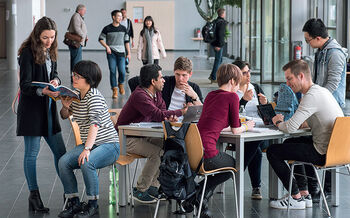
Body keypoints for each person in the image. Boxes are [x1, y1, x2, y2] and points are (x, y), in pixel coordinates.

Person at [267, 60, 344, 210]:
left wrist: (277, 122)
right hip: (338, 150)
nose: (287, 84)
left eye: (290, 79)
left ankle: (295, 197)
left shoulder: (311, 96)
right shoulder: (322, 91)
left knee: (272, 151)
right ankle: (304, 193)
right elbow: (314, 120)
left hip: (322, 152)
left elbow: (290, 127)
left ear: (301, 76)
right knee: (289, 143)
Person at [182, 64, 255, 217]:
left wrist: (234, 127)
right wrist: (247, 126)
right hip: (208, 154)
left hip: (194, 153)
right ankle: (198, 192)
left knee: (224, 166)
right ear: (233, 81)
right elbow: (236, 129)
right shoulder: (232, 97)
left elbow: (217, 124)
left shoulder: (210, 95)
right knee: (234, 167)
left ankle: (200, 197)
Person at [116, 64, 187, 203]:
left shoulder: (156, 93)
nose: (164, 80)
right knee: (157, 153)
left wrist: (168, 116)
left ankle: (154, 187)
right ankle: (140, 190)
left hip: (141, 134)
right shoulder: (139, 95)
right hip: (126, 138)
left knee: (169, 147)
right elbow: (156, 114)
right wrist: (180, 112)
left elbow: (162, 111)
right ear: (153, 81)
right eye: (161, 77)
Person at [17, 16, 66, 213]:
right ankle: (34, 195)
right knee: (31, 154)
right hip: (32, 111)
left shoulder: (52, 51)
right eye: (45, 38)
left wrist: (55, 80)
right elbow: (25, 85)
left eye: (52, 37)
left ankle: (69, 193)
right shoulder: (27, 53)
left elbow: (55, 73)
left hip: (48, 110)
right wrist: (43, 91)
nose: (49, 41)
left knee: (61, 154)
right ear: (37, 35)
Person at [58, 61, 120, 218]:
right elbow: (64, 116)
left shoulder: (94, 97)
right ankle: (74, 203)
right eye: (74, 74)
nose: (74, 77)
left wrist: (86, 149)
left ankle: (93, 205)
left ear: (89, 79)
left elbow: (95, 125)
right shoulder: (77, 96)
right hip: (91, 145)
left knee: (88, 162)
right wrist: (65, 106)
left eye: (78, 76)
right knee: (63, 162)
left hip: (109, 145)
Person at [302, 18, 348, 200]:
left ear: (318, 38)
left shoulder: (335, 54)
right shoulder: (321, 51)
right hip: (320, 105)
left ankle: (328, 189)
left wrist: (316, 101)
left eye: (308, 40)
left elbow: (333, 83)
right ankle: (315, 186)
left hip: (331, 107)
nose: (307, 43)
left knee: (330, 148)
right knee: (315, 143)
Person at [232, 60, 268, 200]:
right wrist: (244, 100)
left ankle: (237, 173)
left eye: (249, 72)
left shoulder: (256, 88)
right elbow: (231, 113)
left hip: (259, 131)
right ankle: (256, 187)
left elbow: (266, 116)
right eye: (244, 73)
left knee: (256, 144)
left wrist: (265, 105)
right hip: (240, 132)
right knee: (256, 150)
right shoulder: (232, 91)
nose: (248, 75)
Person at [128, 56, 203, 121]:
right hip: (164, 122)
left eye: (184, 75)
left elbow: (202, 113)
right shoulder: (165, 82)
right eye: (177, 74)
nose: (180, 78)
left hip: (185, 125)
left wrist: (195, 97)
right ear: (174, 72)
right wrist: (142, 98)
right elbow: (133, 81)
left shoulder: (194, 88)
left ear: (190, 74)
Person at [99, 10, 131, 98]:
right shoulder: (107, 28)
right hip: (111, 53)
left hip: (121, 53)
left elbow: (127, 41)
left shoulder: (123, 29)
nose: (120, 18)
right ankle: (114, 90)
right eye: (118, 16)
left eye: (121, 16)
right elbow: (101, 39)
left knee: (122, 71)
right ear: (113, 17)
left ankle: (120, 83)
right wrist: (107, 47)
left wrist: (129, 53)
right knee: (112, 71)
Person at [67, 4, 88, 81]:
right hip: (76, 42)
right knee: (77, 61)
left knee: (75, 59)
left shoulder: (78, 16)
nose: (85, 12)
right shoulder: (76, 16)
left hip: (77, 41)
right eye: (84, 10)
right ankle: (76, 77)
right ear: (80, 10)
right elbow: (77, 29)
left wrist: (85, 36)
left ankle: (75, 76)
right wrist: (83, 36)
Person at [208, 8, 228, 83]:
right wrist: (218, 45)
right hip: (218, 44)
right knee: (218, 60)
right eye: (224, 13)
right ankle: (213, 77)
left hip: (214, 43)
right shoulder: (222, 22)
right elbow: (220, 35)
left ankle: (213, 75)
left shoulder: (215, 21)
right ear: (222, 14)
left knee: (220, 59)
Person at [121, 8, 134, 74]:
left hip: (127, 40)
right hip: (120, 40)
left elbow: (131, 31)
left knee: (127, 53)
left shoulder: (129, 21)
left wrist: (132, 40)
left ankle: (126, 66)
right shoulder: (119, 21)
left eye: (124, 13)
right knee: (122, 53)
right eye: (122, 13)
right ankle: (122, 66)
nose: (123, 14)